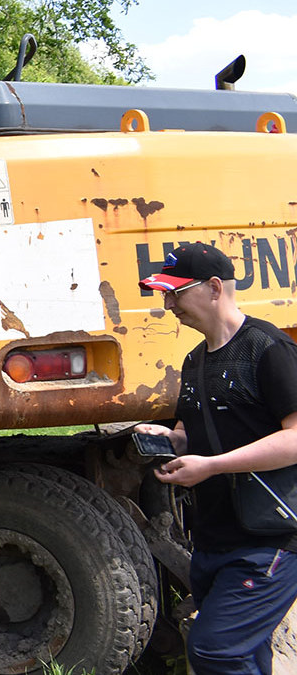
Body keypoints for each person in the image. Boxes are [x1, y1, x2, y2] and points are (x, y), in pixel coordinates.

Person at [136, 242, 297, 675]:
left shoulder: (268, 349)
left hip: (269, 541)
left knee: (215, 651)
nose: (168, 304)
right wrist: (171, 440)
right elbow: (196, 435)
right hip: (212, 539)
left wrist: (211, 466)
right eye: (164, 294)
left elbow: (296, 438)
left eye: (175, 292)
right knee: (245, 653)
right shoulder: (193, 362)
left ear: (212, 288)